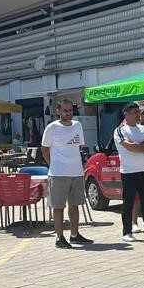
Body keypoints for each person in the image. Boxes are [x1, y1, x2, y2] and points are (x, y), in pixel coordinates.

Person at [41, 99, 93, 249]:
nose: (68, 113)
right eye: (65, 110)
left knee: (75, 205)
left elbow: (79, 146)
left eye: (70, 110)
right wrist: (53, 165)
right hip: (58, 173)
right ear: (58, 110)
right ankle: (59, 238)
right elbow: (44, 148)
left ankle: (75, 235)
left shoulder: (77, 125)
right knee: (58, 206)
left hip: (76, 172)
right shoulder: (52, 127)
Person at [114, 103, 144, 243]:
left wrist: (139, 146)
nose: (137, 115)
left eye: (138, 112)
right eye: (135, 112)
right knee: (128, 203)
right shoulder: (120, 130)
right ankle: (127, 232)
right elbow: (130, 147)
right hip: (129, 172)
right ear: (126, 114)